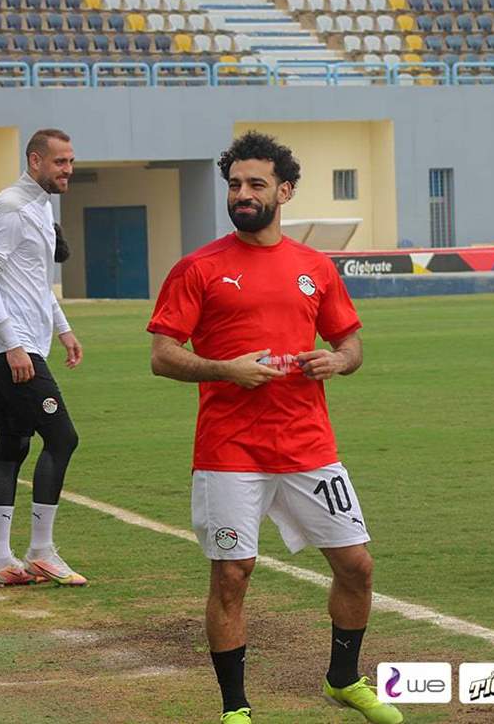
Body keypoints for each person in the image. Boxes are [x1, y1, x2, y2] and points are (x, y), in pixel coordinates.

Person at [148, 131, 401, 724]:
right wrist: (225, 369)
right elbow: (162, 355)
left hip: (309, 446)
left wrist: (337, 361)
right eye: (235, 184)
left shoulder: (315, 268)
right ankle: (235, 708)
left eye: (256, 184)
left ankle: (344, 679)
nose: (242, 193)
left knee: (357, 566)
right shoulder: (199, 268)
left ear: (284, 192)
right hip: (229, 451)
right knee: (232, 575)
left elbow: (351, 343)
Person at [0, 129, 84, 588]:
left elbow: (35, 281)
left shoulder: (40, 206)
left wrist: (63, 328)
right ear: (35, 161)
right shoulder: (10, 207)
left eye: (70, 161)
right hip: (12, 349)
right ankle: (41, 551)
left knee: (13, 444)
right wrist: (13, 344)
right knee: (62, 438)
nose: (68, 170)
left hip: (25, 343)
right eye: (60, 162)